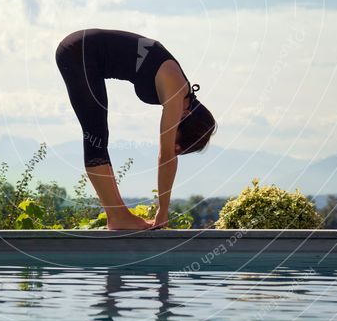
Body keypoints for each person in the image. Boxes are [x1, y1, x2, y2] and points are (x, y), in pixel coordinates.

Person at [55, 28, 217, 230]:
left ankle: (118, 215)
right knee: (95, 134)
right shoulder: (177, 91)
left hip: (82, 52)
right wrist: (163, 211)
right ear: (188, 118)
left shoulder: (179, 91)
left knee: (97, 133)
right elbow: (166, 156)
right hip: (79, 52)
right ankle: (117, 217)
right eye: (180, 145)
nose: (175, 149)